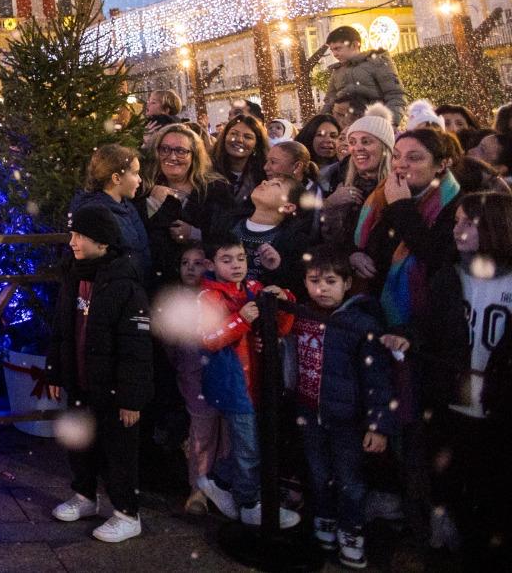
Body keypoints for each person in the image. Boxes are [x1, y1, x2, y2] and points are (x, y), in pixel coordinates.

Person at [411, 191, 512, 563]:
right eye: (457, 222)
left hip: (498, 406)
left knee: (491, 492)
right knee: (447, 483)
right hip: (451, 399)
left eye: (470, 223)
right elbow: (430, 328)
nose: (459, 230)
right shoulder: (450, 275)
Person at [45, 205, 154, 543]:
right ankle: (84, 495)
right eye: (73, 233)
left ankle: (126, 512)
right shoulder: (73, 274)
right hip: (80, 380)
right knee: (80, 443)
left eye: (81, 236)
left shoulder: (124, 284)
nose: (73, 241)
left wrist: (131, 397)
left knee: (119, 451)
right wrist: (54, 372)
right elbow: (61, 328)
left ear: (103, 242)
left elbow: (136, 346)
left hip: (112, 389)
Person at [286, 245, 397, 568]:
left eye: (330, 281)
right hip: (309, 412)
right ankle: (325, 522)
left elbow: (378, 378)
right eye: (314, 281)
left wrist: (378, 425)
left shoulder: (360, 324)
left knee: (349, 480)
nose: (321, 289)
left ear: (347, 283)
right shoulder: (301, 316)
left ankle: (351, 531)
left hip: (347, 419)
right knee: (319, 475)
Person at [195, 236, 299, 528]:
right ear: (211, 264)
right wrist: (240, 320)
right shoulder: (207, 297)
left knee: (252, 443)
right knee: (249, 446)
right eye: (226, 260)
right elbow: (208, 338)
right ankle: (250, 503)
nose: (236, 265)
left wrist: (284, 301)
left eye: (240, 258)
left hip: (259, 379)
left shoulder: (253, 289)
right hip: (233, 383)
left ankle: (216, 480)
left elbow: (281, 328)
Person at [352, 126, 462, 330]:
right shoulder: (381, 194)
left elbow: (436, 256)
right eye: (396, 156)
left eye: (414, 158)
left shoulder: (456, 206)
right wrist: (354, 255)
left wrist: (401, 207)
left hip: (422, 324)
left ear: (441, 165)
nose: (401, 165)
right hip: (374, 311)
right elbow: (358, 240)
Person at [163, 244, 227, 515]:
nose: (190, 267)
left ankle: (222, 486)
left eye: (197, 262)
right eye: (185, 262)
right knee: (202, 428)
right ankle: (198, 489)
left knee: (225, 430)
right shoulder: (174, 299)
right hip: (191, 373)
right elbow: (170, 343)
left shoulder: (217, 295)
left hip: (219, 372)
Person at [138, 125, 234, 286]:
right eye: (165, 149)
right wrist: (153, 202)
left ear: (194, 155)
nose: (172, 157)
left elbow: (229, 233)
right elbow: (138, 230)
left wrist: (195, 234)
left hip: (205, 282)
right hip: (158, 281)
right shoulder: (145, 186)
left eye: (181, 151)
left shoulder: (215, 188)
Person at [68, 144, 151, 286]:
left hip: (134, 288)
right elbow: (91, 265)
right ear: (117, 178)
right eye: (135, 173)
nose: (139, 180)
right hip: (116, 292)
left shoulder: (127, 206)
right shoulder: (95, 214)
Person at [321, 107, 394, 247]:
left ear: (385, 147)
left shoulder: (400, 188)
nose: (357, 148)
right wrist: (330, 205)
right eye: (353, 142)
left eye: (366, 142)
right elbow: (332, 242)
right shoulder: (343, 185)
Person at [234, 174, 313, 290]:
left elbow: (294, 286)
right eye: (268, 180)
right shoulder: (228, 224)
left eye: (276, 184)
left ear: (288, 207)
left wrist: (276, 267)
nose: (265, 182)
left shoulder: (294, 242)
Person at [321, 26, 405, 124]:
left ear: (354, 45)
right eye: (332, 50)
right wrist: (319, 124)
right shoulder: (337, 71)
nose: (335, 54)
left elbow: (395, 95)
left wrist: (390, 123)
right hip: (345, 126)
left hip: (373, 123)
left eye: (338, 48)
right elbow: (330, 102)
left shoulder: (377, 62)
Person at [211, 112, 268, 210]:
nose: (239, 140)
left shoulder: (264, 175)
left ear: (256, 144)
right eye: (234, 133)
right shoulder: (206, 170)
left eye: (248, 137)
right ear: (225, 137)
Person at [296, 115, 344, 191]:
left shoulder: (346, 169)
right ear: (309, 137)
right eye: (320, 135)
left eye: (333, 136)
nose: (328, 140)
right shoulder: (296, 169)